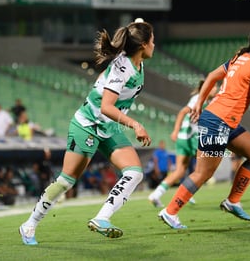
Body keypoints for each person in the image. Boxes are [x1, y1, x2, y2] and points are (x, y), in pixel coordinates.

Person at [19, 20, 155, 245]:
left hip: (108, 128)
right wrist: (135, 125)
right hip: (87, 125)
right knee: (66, 181)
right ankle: (29, 224)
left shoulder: (137, 64)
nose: (154, 45)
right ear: (142, 44)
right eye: (152, 41)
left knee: (134, 173)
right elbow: (106, 107)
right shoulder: (123, 68)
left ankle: (101, 218)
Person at [158, 25, 250, 229]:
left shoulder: (239, 58)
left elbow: (212, 76)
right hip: (218, 121)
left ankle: (232, 201)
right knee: (202, 173)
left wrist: (199, 102)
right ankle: (170, 212)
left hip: (224, 120)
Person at [148, 80, 217, 208]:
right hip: (191, 138)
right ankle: (186, 193)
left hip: (183, 138)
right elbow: (182, 112)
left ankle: (156, 195)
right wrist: (175, 130)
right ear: (206, 88)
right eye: (214, 87)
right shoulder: (198, 98)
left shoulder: (209, 101)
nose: (216, 89)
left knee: (180, 171)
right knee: (204, 169)